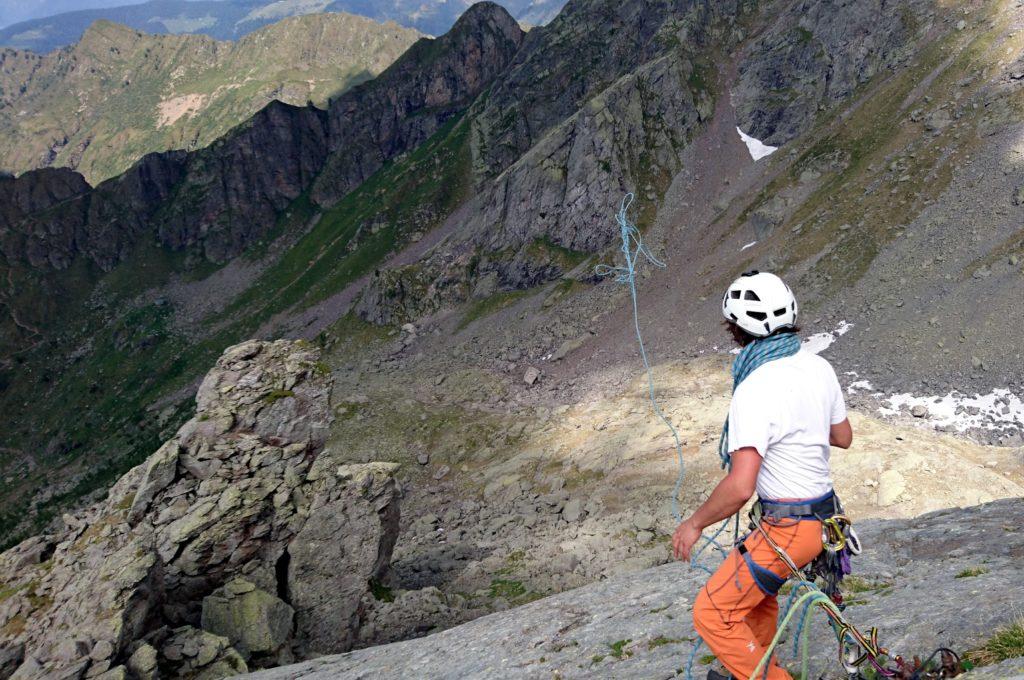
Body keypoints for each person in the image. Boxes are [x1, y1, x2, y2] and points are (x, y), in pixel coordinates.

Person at [672, 271, 853, 680]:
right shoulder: (818, 367)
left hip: (789, 526)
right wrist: (798, 423)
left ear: (738, 329)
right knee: (757, 599)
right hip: (824, 521)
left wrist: (694, 524)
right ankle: (751, 668)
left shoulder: (753, 388)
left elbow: (740, 487)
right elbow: (842, 436)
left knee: (713, 613)